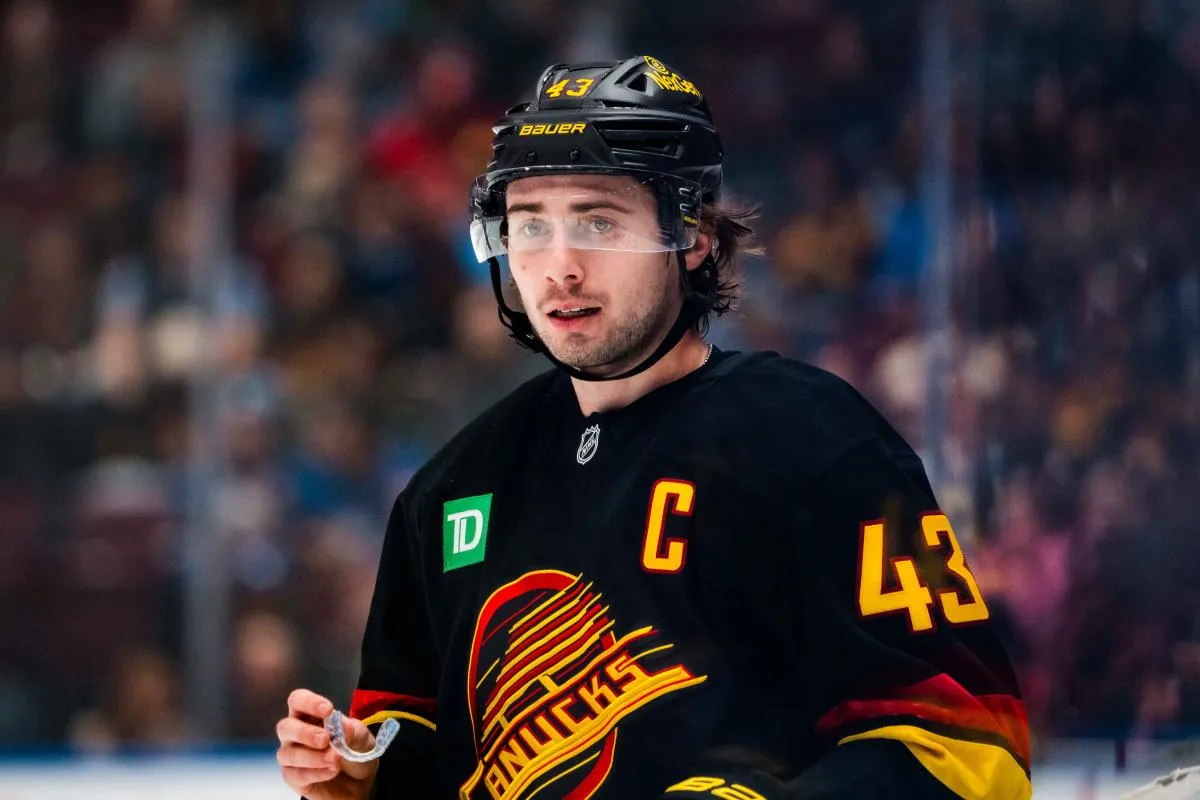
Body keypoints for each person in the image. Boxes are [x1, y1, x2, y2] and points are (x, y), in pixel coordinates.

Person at [276, 55, 1031, 800]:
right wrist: (364, 783)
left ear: (693, 234)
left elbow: (971, 748)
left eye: (599, 222)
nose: (560, 267)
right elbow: (425, 758)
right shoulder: (449, 491)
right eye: (530, 226)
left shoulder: (814, 442)